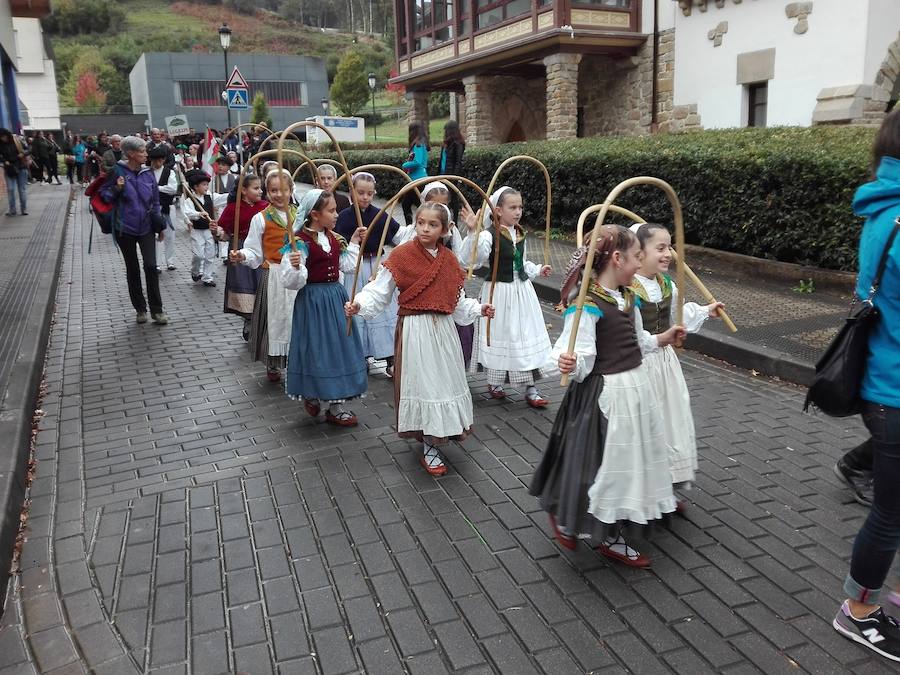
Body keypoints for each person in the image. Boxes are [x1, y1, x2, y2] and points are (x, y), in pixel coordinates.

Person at [530, 227, 684, 566]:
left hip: (635, 391)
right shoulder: (587, 305)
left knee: (625, 464)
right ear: (617, 259)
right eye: (637, 258)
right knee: (601, 464)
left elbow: (637, 339)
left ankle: (608, 528)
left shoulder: (628, 297)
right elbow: (573, 352)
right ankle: (594, 528)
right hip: (605, 397)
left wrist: (663, 338)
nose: (640, 265)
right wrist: (566, 361)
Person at [347, 201, 494, 475]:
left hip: (445, 333)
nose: (425, 228)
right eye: (421, 222)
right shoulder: (402, 256)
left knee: (444, 384)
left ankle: (442, 431)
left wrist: (479, 308)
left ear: (445, 229)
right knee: (424, 385)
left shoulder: (449, 260)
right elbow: (380, 290)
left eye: (433, 224)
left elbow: (458, 300)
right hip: (416, 331)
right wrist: (359, 303)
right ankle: (429, 443)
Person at [832, 108, 900, 663]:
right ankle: (858, 611)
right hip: (894, 391)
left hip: (884, 380)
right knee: (892, 512)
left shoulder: (882, 209)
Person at [630, 222, 725, 498]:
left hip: (665, 364)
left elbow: (678, 315)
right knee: (646, 422)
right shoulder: (631, 287)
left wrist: (707, 311)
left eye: (669, 247)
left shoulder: (666, 283)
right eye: (659, 248)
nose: (667, 254)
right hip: (640, 363)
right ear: (639, 252)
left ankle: (665, 485)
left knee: (670, 417)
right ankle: (643, 489)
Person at [458, 186, 553, 407]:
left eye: (520, 207)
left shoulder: (519, 233)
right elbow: (472, 259)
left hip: (523, 294)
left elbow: (521, 263)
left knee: (525, 336)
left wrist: (538, 270)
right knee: (504, 335)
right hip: (499, 293)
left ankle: (532, 388)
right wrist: (473, 232)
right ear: (498, 210)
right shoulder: (488, 235)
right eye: (513, 207)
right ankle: (496, 381)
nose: (518, 211)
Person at [281, 189, 367, 426]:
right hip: (313, 301)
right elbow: (291, 281)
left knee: (340, 347)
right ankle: (312, 391)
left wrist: (355, 242)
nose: (337, 214)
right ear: (315, 215)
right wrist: (296, 266)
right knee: (316, 349)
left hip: (335, 298)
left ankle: (336, 405)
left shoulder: (334, 238)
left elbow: (347, 266)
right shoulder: (299, 242)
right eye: (331, 210)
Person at [230, 170, 300, 382]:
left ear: (291, 190)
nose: (279, 195)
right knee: (275, 319)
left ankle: (297, 360)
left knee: (296, 318)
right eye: (273, 190)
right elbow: (253, 250)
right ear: (267, 192)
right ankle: (274, 362)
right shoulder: (260, 219)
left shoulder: (301, 214)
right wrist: (241, 254)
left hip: (298, 275)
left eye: (284, 190)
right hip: (274, 275)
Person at [334, 172, 401, 375]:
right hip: (355, 267)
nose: (365, 197)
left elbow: (398, 236)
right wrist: (353, 238)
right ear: (352, 193)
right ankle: (360, 355)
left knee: (385, 310)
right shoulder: (344, 216)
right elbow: (337, 242)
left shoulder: (380, 215)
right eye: (361, 192)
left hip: (377, 266)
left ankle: (390, 357)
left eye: (369, 193)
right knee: (357, 309)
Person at [98, 136, 167, 325]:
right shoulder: (116, 171)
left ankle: (157, 310)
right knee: (133, 268)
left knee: (151, 267)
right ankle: (140, 309)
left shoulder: (148, 173)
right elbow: (104, 196)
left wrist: (159, 225)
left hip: (146, 227)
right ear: (131, 154)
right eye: (142, 151)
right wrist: (116, 189)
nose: (146, 154)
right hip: (124, 228)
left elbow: (155, 201)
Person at [217, 174, 268, 339]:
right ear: (244, 191)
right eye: (256, 188)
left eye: (261, 187)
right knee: (245, 284)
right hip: (240, 250)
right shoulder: (233, 208)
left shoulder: (265, 206)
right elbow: (223, 234)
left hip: (262, 250)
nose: (260, 191)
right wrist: (216, 231)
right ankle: (248, 320)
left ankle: (261, 320)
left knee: (261, 283)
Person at [182, 169, 228, 287]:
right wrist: (198, 214)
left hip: (209, 230)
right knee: (199, 255)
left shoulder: (210, 197)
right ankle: (195, 271)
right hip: (197, 231)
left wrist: (234, 193)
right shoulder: (190, 200)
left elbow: (224, 198)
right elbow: (188, 212)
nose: (206, 187)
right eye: (203, 185)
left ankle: (208, 277)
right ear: (196, 187)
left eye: (207, 184)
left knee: (210, 254)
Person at [149, 146, 179, 272]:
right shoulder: (147, 172)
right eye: (155, 160)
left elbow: (173, 189)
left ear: (163, 160)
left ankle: (170, 261)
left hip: (167, 207)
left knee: (170, 235)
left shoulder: (169, 172)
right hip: (152, 208)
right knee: (156, 235)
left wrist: (156, 188)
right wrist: (161, 188)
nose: (157, 163)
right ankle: (157, 263)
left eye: (160, 160)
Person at [401, 122, 429, 225]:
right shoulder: (421, 143)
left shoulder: (419, 144)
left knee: (408, 205)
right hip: (417, 180)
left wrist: (405, 165)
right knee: (416, 205)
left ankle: (413, 227)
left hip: (417, 180)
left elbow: (418, 162)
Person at [0, 129, 29, 216]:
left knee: (22, 190)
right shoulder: (0, 145)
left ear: (7, 135)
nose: (2, 139)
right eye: (1, 137)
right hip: (9, 168)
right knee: (10, 189)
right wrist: (4, 161)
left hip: (21, 167)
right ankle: (12, 210)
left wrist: (23, 154)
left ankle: (23, 209)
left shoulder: (17, 140)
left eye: (3, 136)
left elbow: (28, 149)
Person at [440, 120, 465, 220]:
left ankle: (455, 221)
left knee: (453, 198)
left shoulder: (458, 144)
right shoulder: (446, 144)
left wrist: (455, 177)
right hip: (443, 174)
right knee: (444, 197)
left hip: (451, 175)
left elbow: (458, 162)